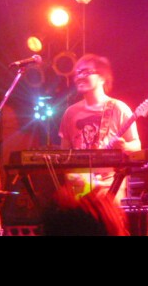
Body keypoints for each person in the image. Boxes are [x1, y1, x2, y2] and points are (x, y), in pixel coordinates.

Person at [58, 54, 141, 202]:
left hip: (110, 188)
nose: (79, 77)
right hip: (80, 189)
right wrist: (77, 179)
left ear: (102, 77)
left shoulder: (119, 108)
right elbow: (64, 156)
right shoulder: (70, 113)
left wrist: (125, 146)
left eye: (86, 72)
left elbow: (137, 146)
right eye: (77, 73)